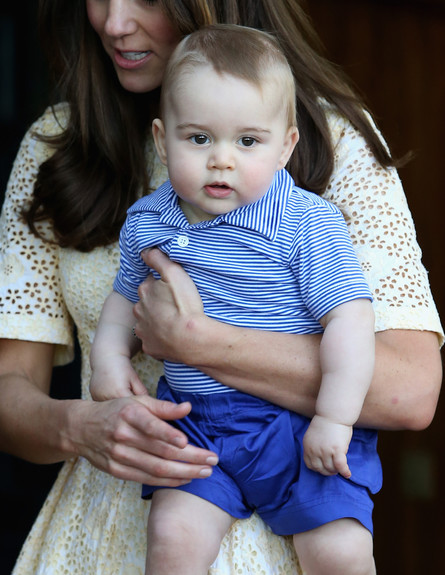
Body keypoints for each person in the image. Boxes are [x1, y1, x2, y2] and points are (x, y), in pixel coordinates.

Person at [0, 1, 442, 574]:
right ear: (165, 140)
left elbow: (409, 391)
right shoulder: (59, 147)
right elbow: (11, 386)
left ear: (283, 145)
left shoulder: (332, 147)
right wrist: (78, 424)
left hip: (294, 497)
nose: (113, 22)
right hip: (128, 516)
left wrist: (197, 341)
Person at [90, 25, 379, 575]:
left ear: (286, 146)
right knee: (172, 537)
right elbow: (122, 303)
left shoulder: (304, 224)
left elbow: (350, 318)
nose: (221, 160)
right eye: (198, 139)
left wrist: (335, 418)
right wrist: (108, 364)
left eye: (248, 142)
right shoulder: (149, 221)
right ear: (161, 138)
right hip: (195, 419)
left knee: (340, 552)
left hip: (295, 421)